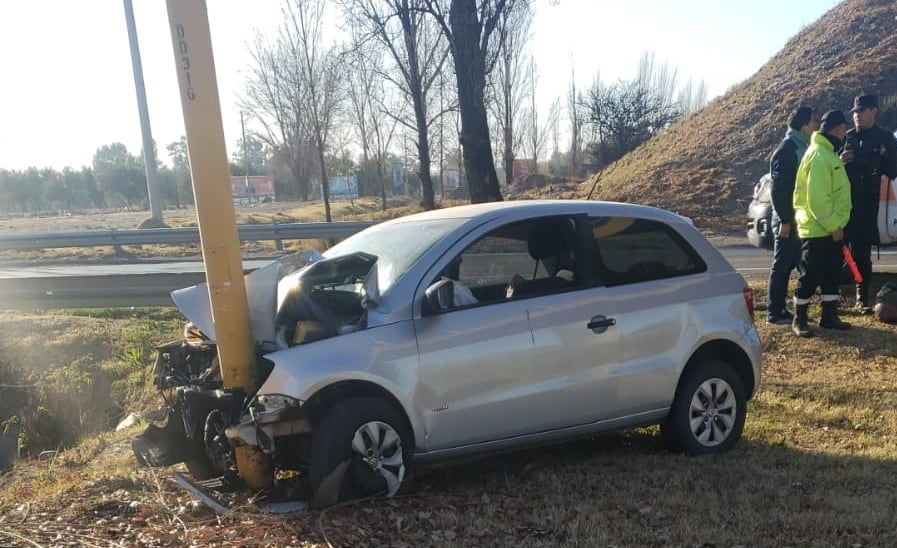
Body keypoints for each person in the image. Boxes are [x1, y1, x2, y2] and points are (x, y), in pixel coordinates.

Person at [791, 109, 853, 337]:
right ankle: (800, 319)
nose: (845, 132)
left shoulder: (828, 154)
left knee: (831, 274)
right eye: (844, 128)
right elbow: (817, 199)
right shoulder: (820, 155)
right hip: (820, 229)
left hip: (828, 228)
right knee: (811, 275)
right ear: (837, 128)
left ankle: (829, 316)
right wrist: (834, 226)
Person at [841, 94, 897, 313]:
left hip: (867, 201)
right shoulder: (848, 137)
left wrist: (882, 159)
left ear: (873, 110)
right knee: (839, 247)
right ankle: (832, 294)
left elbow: (893, 170)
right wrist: (841, 159)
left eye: (861, 111)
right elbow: (832, 167)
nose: (857, 116)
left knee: (862, 250)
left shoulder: (885, 138)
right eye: (855, 112)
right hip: (844, 201)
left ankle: (861, 295)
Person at [766, 106, 819, 324]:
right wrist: (785, 220)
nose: (816, 125)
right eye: (814, 120)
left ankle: (790, 309)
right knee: (782, 265)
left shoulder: (801, 147)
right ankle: (773, 312)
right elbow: (778, 190)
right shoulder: (787, 150)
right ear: (805, 125)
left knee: (795, 263)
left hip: (797, 218)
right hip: (786, 219)